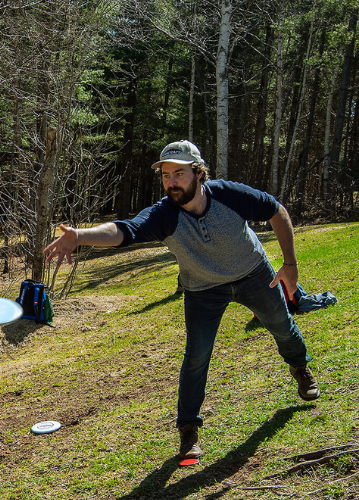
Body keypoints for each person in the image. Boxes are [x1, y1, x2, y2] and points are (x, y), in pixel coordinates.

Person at [43, 140, 319, 460]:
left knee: (282, 326)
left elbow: (276, 211)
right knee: (197, 357)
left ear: (199, 173)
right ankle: (189, 430)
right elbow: (125, 230)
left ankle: (300, 368)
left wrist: (290, 265)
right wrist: (80, 236)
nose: (171, 181)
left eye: (179, 173)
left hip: (253, 273)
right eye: (165, 175)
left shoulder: (230, 196)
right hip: (203, 288)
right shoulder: (165, 215)